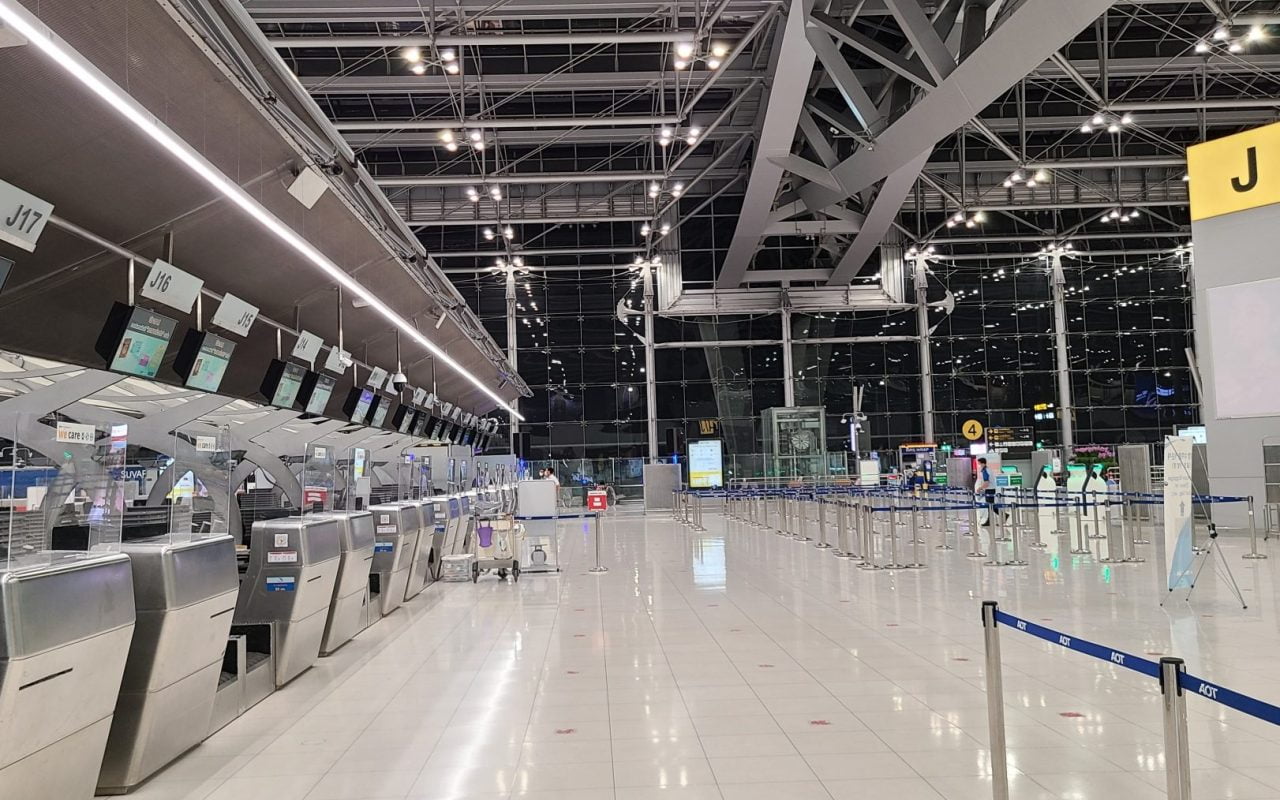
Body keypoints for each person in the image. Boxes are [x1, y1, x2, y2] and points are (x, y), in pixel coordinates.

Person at [975, 457, 995, 526]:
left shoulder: (985, 471)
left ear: (982, 463)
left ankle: (990, 521)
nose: (978, 465)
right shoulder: (986, 470)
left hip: (989, 489)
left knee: (990, 506)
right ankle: (1004, 516)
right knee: (991, 505)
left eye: (979, 463)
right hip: (990, 489)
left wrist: (980, 488)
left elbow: (986, 482)